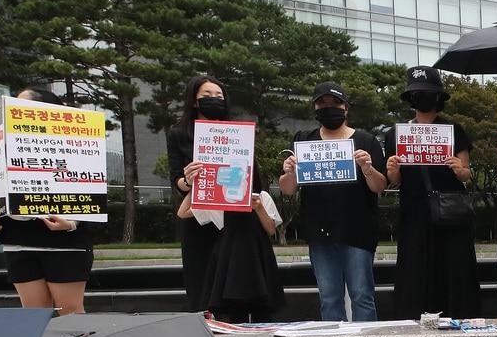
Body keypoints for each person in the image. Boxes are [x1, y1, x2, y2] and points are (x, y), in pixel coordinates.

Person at [0, 87, 93, 315]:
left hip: (64, 244)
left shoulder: (76, 143)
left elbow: (89, 190)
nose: (14, 110)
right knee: (33, 315)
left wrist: (71, 223)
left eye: (21, 105)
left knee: (70, 314)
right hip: (18, 242)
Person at [279, 81, 387, 321]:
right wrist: (289, 172)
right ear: (315, 108)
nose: (329, 107)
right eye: (322, 103)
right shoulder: (303, 140)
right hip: (319, 231)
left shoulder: (366, 141)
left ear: (346, 107)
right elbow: (288, 190)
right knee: (329, 297)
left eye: (335, 102)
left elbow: (380, 186)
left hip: (358, 230)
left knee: (362, 295)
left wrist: (368, 168)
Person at [384, 67, 479, 319]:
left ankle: (459, 317)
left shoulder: (454, 130)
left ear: (439, 98)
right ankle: (413, 318)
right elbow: (394, 181)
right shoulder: (396, 133)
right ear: (409, 98)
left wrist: (460, 169)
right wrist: (393, 170)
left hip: (450, 212)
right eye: (417, 93)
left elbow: (466, 173)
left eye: (428, 93)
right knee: (414, 267)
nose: (422, 97)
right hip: (414, 211)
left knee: (453, 268)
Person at [176, 163, 285, 322]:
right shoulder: (217, 200)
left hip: (257, 259)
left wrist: (258, 207)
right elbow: (182, 213)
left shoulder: (261, 197)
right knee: (234, 311)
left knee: (263, 312)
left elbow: (270, 229)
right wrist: (197, 185)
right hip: (230, 263)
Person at [168, 75, 228, 311]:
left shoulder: (234, 132)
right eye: (206, 96)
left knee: (228, 278)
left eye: (219, 96)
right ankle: (203, 325)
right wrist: (188, 180)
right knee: (198, 277)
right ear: (193, 101)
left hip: (230, 215)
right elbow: (176, 181)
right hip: (196, 217)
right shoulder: (178, 134)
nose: (214, 100)